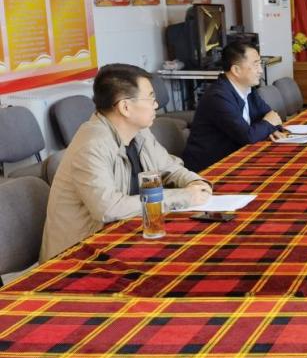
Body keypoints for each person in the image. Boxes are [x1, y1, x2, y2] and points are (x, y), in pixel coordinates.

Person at [40, 64, 212, 262]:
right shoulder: (92, 146)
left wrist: (195, 183)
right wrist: (183, 196)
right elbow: (108, 208)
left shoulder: (139, 132)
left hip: (124, 234)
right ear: (125, 107)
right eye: (150, 98)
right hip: (79, 254)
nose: (156, 105)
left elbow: (169, 168)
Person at [182, 42, 286, 171]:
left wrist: (271, 128)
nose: (260, 70)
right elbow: (248, 136)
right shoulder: (218, 97)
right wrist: (268, 124)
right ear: (236, 70)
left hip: (238, 157)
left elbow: (272, 116)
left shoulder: (248, 89)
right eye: (256, 65)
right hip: (211, 168)